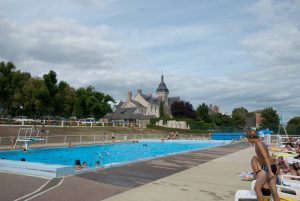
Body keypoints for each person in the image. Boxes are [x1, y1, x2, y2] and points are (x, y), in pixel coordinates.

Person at [245, 128, 280, 201]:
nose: (248, 140)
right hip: (271, 166)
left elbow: (266, 157)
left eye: (248, 138)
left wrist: (270, 171)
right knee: (273, 190)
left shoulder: (258, 143)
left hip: (268, 168)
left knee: (257, 188)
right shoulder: (260, 142)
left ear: (251, 137)